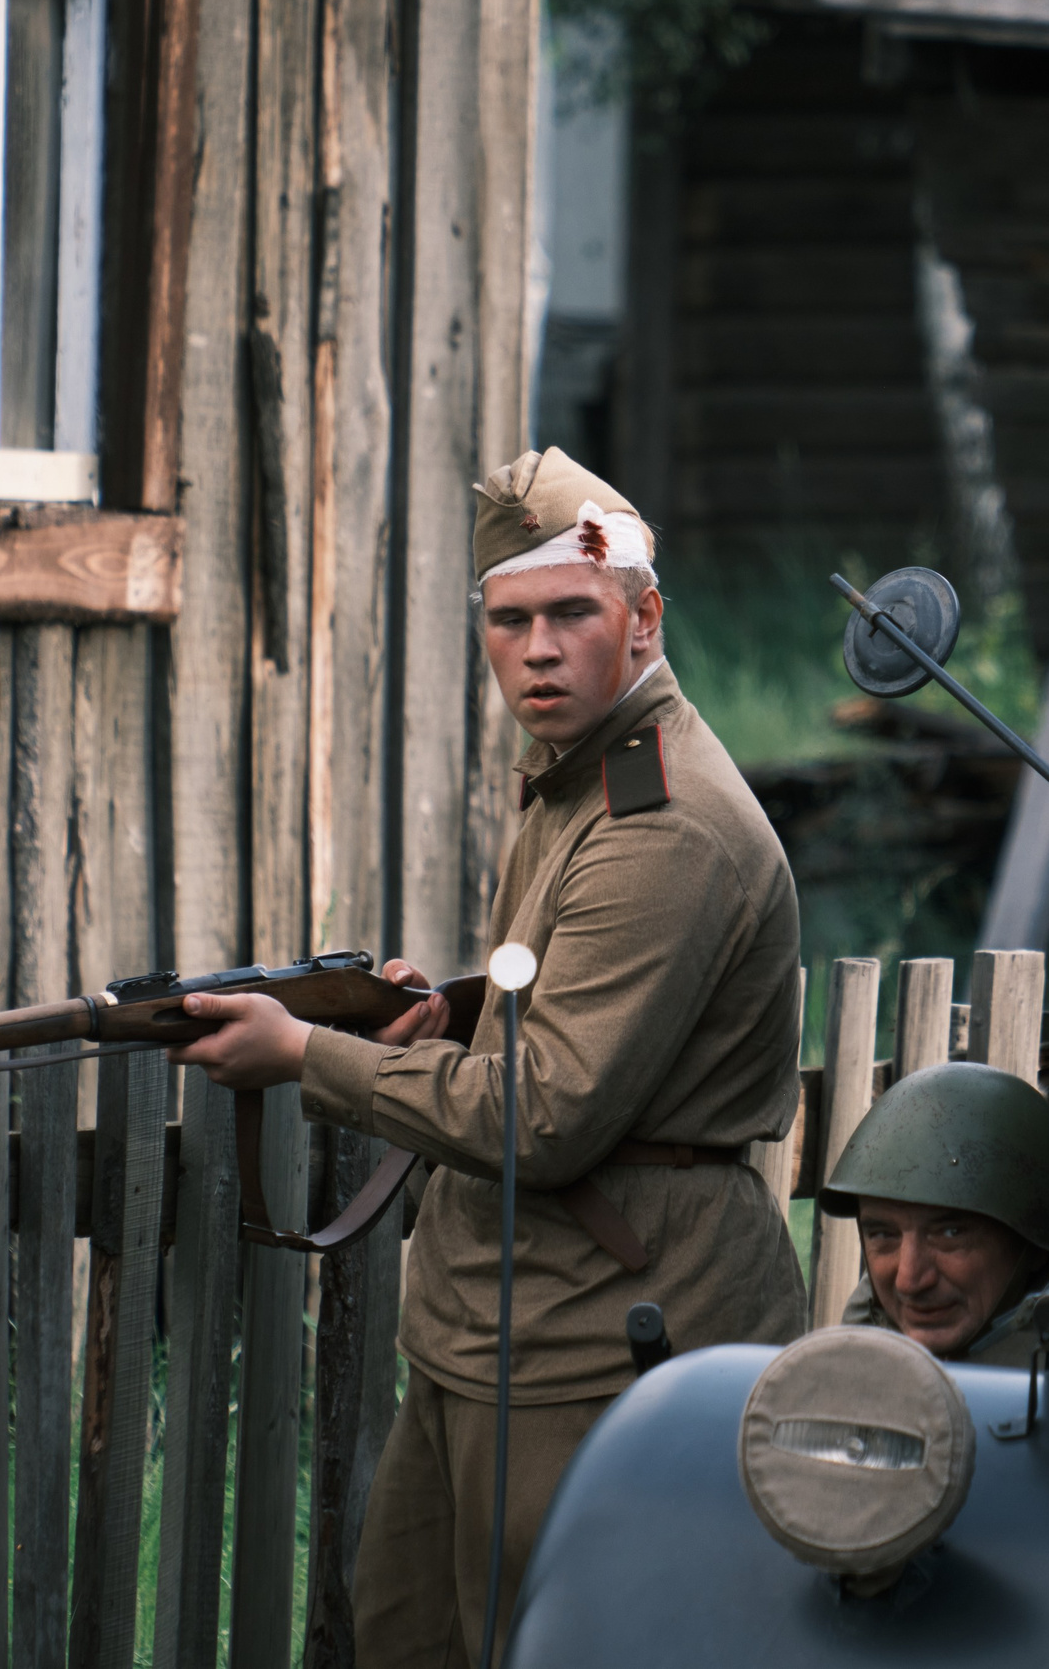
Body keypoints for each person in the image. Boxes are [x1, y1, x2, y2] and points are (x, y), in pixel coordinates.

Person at [175, 446, 809, 1667]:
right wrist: (450, 1020)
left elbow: (545, 1115)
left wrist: (305, 1052)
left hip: (606, 1338)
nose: (537, 649)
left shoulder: (661, 823)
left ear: (643, 617)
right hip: (501, 1322)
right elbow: (564, 1015)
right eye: (509, 621)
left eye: (572, 613)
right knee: (409, 1633)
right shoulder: (577, 781)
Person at [818, 1061, 1049, 1365]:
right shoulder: (866, 1331)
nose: (908, 1281)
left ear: (1035, 1244)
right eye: (883, 1234)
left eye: (950, 1233)